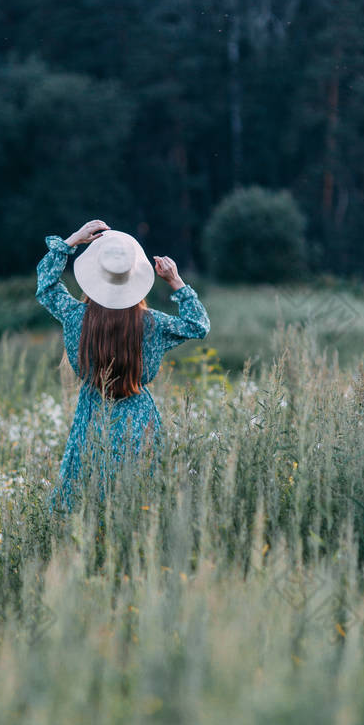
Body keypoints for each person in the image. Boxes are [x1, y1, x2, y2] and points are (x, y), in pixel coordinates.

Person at [36, 219, 210, 511]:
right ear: (135, 279)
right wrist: (175, 281)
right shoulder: (151, 324)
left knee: (85, 490)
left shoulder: (75, 316)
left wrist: (72, 241)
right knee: (144, 493)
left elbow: (47, 285)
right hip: (140, 417)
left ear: (94, 276)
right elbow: (199, 324)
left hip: (91, 414)